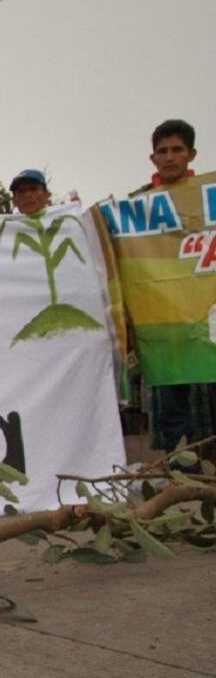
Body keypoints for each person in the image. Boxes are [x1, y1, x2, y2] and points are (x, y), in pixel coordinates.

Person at [133, 120, 206, 458]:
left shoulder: (209, 197)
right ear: (153, 158)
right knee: (170, 400)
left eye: (177, 149)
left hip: (206, 318)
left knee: (207, 394)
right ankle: (177, 469)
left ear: (191, 154)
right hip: (162, 321)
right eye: (162, 151)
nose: (170, 157)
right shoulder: (138, 205)